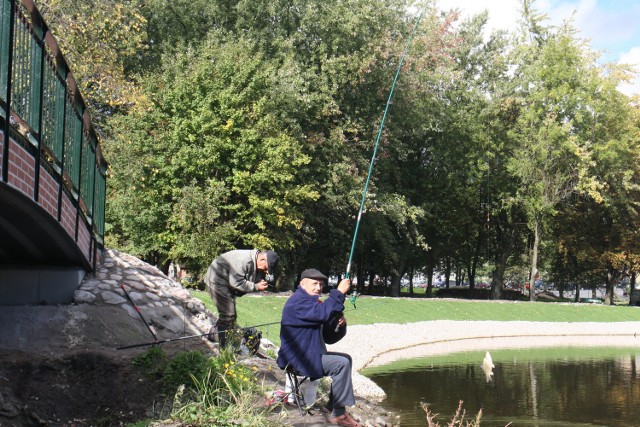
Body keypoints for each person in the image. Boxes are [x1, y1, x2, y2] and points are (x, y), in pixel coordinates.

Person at [277, 269, 361, 427]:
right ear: (302, 284)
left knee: (345, 359)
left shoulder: (314, 305)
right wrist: (339, 292)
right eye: (314, 283)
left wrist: (339, 325)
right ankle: (339, 414)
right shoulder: (297, 302)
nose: (318, 287)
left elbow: (329, 338)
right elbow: (322, 314)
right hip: (298, 358)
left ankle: (334, 407)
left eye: (321, 284)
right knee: (341, 363)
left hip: (310, 354)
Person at [205, 249, 279, 348]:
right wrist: (256, 286)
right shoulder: (244, 260)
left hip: (225, 282)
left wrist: (259, 281)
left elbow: (248, 276)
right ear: (262, 259)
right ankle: (224, 349)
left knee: (230, 316)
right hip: (216, 280)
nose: (265, 271)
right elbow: (236, 282)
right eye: (266, 268)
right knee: (228, 314)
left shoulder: (254, 261)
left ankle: (214, 335)